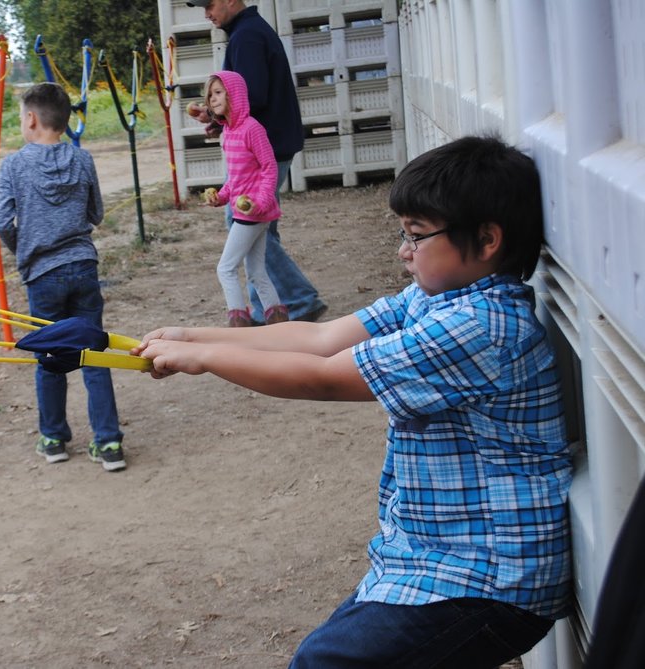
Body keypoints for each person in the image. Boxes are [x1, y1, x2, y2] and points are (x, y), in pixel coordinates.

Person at [133, 136, 572, 667]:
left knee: (323, 661)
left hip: (490, 580)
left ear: (485, 241)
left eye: (416, 237)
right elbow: (320, 339)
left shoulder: (480, 327)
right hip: (434, 558)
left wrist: (203, 361)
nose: (402, 251)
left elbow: (321, 375)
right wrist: (192, 336)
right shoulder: (439, 298)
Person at [0, 82, 126, 472]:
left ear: (31, 119)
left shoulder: (14, 165)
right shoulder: (82, 160)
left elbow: (2, 221)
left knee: (49, 356)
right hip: (83, 267)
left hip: (42, 275)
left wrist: (27, 249)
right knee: (94, 353)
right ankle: (110, 443)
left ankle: (53, 439)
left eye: (21, 117)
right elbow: (96, 213)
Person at [187, 0, 328, 324]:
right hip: (269, 144)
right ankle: (267, 310)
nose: (207, 13)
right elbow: (247, 102)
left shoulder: (247, 36)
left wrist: (215, 114)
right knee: (258, 231)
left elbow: (252, 98)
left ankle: (297, 299)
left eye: (208, 5)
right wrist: (216, 120)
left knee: (245, 223)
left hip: (264, 151)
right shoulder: (248, 32)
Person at [202, 71, 289, 327]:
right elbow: (235, 178)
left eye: (218, 93)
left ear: (234, 95)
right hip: (248, 211)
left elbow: (269, 167)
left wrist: (260, 202)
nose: (213, 99)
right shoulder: (228, 132)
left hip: (253, 213)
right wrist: (221, 197)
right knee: (257, 272)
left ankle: (239, 325)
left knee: (225, 269)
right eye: (210, 95)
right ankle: (279, 322)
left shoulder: (252, 128)